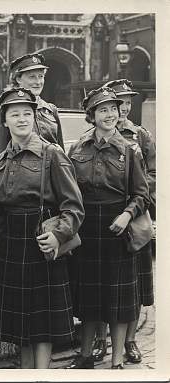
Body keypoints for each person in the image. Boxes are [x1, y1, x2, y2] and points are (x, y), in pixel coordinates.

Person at [0, 88, 84, 369]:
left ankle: (41, 373)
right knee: (20, 318)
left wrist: (58, 236)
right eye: (14, 114)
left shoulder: (51, 154)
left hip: (41, 241)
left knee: (42, 319)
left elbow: (74, 206)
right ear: (4, 121)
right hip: (11, 246)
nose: (21, 119)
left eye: (27, 114)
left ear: (34, 118)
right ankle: (25, 371)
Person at [66, 87, 150, 369]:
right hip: (87, 228)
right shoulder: (77, 148)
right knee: (89, 298)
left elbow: (142, 194)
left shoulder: (129, 149)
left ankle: (116, 362)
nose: (110, 115)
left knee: (118, 300)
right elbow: (69, 192)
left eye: (114, 109)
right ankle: (86, 356)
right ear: (91, 115)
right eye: (103, 110)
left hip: (118, 229)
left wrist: (127, 215)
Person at [88, 79, 156, 364]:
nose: (123, 108)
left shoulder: (139, 137)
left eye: (127, 102)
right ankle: (99, 341)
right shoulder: (90, 141)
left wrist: (130, 202)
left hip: (133, 219)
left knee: (132, 288)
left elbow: (152, 177)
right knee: (103, 286)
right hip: (104, 220)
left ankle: (129, 341)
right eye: (119, 102)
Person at [0, 53, 64, 159]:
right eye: (32, 77)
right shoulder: (6, 110)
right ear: (18, 79)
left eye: (41, 76)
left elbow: (61, 152)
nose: (38, 82)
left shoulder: (51, 110)